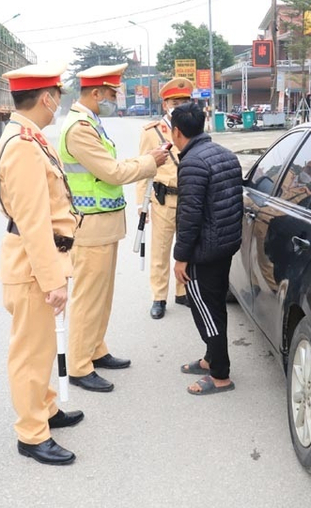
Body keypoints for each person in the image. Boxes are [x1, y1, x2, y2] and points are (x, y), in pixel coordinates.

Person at [59, 63, 168, 393]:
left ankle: (95, 349)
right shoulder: (79, 127)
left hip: (103, 224)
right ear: (95, 93)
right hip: (89, 226)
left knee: (102, 296)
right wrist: (150, 161)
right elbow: (112, 172)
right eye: (109, 94)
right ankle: (79, 365)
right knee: (89, 298)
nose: (113, 99)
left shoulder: (92, 121)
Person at [0, 62, 83, 466]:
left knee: (44, 347)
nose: (58, 105)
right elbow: (33, 223)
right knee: (30, 354)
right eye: (58, 98)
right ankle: (31, 433)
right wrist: (53, 281)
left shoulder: (29, 137)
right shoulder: (22, 147)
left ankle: (46, 409)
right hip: (32, 267)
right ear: (46, 98)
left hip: (40, 261)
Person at [171, 102, 243, 395]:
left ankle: (220, 375)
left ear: (176, 132)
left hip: (204, 251)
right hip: (224, 245)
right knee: (214, 307)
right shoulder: (224, 154)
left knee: (206, 312)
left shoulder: (192, 163)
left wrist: (181, 258)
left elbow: (189, 215)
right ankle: (211, 357)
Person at [135, 77, 194, 320]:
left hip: (190, 199)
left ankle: (182, 292)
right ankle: (159, 297)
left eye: (184, 101)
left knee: (187, 248)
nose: (179, 105)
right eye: (175, 101)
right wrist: (142, 204)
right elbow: (142, 167)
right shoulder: (151, 133)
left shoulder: (194, 127)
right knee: (160, 250)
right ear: (165, 104)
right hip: (163, 199)